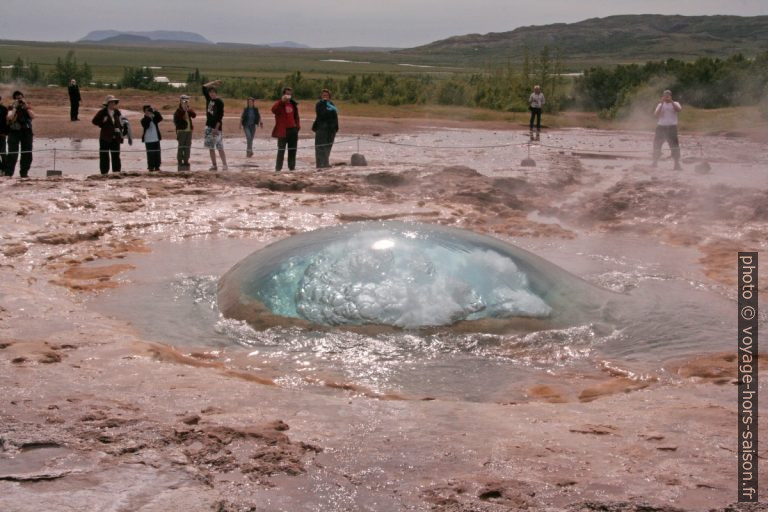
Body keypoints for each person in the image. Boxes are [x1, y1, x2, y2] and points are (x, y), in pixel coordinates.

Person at [5, 91, 35, 178]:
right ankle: (9, 173)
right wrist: (15, 107)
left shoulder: (27, 106)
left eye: (21, 98)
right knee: (13, 153)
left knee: (27, 152)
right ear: (14, 99)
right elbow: (9, 117)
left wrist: (26, 108)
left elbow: (33, 116)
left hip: (26, 131)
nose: (19, 100)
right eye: (18, 98)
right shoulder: (11, 107)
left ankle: (24, 173)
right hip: (14, 131)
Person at [92, 95, 124, 174]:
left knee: (116, 156)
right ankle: (104, 173)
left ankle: (116, 172)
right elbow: (94, 121)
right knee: (104, 156)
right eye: (111, 102)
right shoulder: (102, 112)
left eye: (114, 102)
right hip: (105, 137)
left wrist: (121, 130)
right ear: (108, 103)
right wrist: (102, 122)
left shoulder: (117, 112)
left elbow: (121, 122)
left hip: (115, 137)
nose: (113, 104)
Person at [652, 89, 683, 170]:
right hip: (661, 127)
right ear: (662, 96)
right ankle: (654, 162)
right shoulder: (660, 105)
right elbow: (656, 114)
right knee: (657, 145)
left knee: (674, 146)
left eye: (668, 95)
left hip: (672, 128)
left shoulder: (675, 103)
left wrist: (671, 101)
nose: (666, 97)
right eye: (665, 96)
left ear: (671, 96)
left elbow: (679, 110)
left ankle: (676, 164)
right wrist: (662, 103)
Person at [271, 87, 300, 172]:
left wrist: (297, 127)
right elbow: (273, 110)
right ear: (283, 95)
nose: (288, 95)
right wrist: (281, 101)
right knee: (281, 151)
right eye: (286, 94)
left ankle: (292, 168)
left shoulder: (293, 104)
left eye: (289, 94)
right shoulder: (279, 104)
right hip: (282, 131)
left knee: (292, 151)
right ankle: (278, 169)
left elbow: (297, 117)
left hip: (293, 130)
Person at [202, 80, 227, 171]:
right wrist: (214, 82)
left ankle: (224, 165)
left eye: (213, 92)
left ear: (216, 93)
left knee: (220, 147)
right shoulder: (208, 100)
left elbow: (220, 116)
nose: (212, 94)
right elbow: (203, 87)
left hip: (217, 128)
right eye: (210, 92)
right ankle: (214, 165)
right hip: (208, 126)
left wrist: (216, 128)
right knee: (210, 147)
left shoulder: (219, 102)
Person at [312, 89, 339, 169]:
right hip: (321, 128)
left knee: (328, 146)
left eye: (326, 95)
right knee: (320, 147)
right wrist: (325, 104)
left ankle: (326, 163)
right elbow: (321, 115)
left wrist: (336, 127)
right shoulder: (319, 104)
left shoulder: (331, 104)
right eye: (323, 95)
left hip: (331, 129)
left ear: (329, 96)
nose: (325, 96)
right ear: (321, 96)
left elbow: (335, 116)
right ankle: (320, 164)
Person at [173, 94, 196, 170]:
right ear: (180, 100)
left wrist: (188, 109)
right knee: (181, 146)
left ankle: (186, 160)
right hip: (181, 131)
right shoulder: (178, 110)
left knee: (187, 146)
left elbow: (194, 115)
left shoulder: (188, 109)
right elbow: (177, 119)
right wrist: (183, 109)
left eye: (187, 100)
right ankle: (180, 160)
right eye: (184, 100)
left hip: (189, 130)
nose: (185, 101)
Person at [140, 105, 163, 171]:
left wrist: (155, 111)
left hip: (156, 138)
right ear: (144, 112)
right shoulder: (143, 120)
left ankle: (157, 166)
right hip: (148, 140)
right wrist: (149, 117)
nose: (149, 111)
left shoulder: (154, 118)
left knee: (157, 154)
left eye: (150, 110)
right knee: (150, 154)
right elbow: (146, 125)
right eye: (147, 110)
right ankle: (150, 167)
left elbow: (160, 118)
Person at [0, 95, 7, 174]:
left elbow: (6, 123)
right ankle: (1, 168)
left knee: (3, 152)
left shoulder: (3, 109)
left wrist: (5, 133)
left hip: (2, 134)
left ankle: (4, 169)